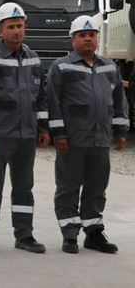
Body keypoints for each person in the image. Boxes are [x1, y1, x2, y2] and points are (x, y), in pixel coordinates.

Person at [46, 15, 129, 254]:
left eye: (91, 35)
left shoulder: (109, 67)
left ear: (97, 38)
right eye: (82, 35)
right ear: (73, 39)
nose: (88, 39)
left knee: (96, 187)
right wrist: (58, 134)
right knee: (68, 187)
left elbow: (118, 102)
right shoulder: (61, 67)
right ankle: (70, 234)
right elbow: (53, 103)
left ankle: (93, 233)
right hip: (72, 140)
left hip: (100, 139)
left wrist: (120, 130)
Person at [0, 2, 50, 254]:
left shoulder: (34, 59)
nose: (17, 31)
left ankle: (24, 235)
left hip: (26, 136)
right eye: (11, 27)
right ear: (0, 31)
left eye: (20, 26)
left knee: (23, 188)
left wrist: (42, 128)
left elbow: (40, 98)